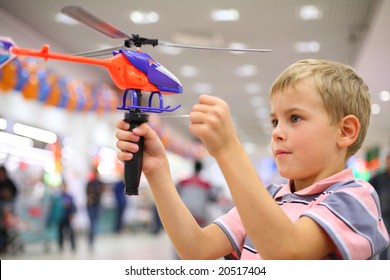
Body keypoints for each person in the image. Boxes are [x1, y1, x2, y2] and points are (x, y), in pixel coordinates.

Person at [115, 59, 389, 260]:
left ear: (345, 131)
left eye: (295, 118)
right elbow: (197, 249)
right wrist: (158, 170)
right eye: (274, 121)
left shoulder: (355, 198)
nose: (278, 132)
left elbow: (288, 255)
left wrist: (228, 150)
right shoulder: (267, 198)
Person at [176, 160, 213, 227]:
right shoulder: (206, 185)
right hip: (198, 214)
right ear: (201, 169)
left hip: (183, 210)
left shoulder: (183, 181)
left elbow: (176, 193)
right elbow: (211, 197)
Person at [369, 152, 390, 260]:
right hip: (384, 217)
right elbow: (367, 190)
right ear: (387, 160)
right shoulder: (379, 178)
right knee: (383, 245)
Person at [85, 166, 104, 250]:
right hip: (90, 205)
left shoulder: (100, 183)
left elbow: (101, 192)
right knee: (92, 223)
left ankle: (91, 239)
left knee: (93, 223)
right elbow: (88, 193)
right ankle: (90, 239)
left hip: (96, 205)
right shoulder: (90, 183)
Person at [0, 165, 18, 253]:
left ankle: (5, 245)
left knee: (7, 228)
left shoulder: (9, 182)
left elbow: (15, 192)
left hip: (8, 209)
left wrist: (8, 193)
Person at [57, 180, 77, 252]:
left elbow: (74, 207)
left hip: (68, 217)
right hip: (60, 217)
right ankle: (60, 246)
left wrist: (72, 214)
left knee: (71, 232)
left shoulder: (70, 196)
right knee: (60, 232)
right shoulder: (58, 197)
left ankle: (73, 246)